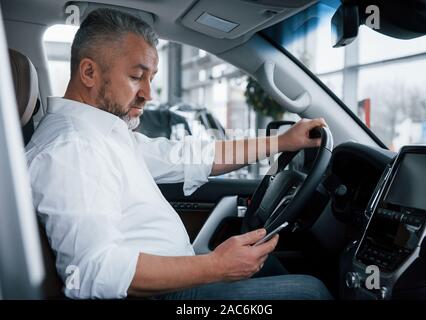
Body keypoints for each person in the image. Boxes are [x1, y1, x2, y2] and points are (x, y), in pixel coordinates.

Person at [26, 8, 331, 300]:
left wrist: (281, 141)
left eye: (151, 78)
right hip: (165, 295)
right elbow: (94, 271)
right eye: (136, 77)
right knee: (311, 292)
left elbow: (190, 157)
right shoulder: (73, 148)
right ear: (89, 72)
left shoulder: (101, 133)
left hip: (177, 278)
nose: (148, 93)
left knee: (277, 267)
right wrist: (217, 266)